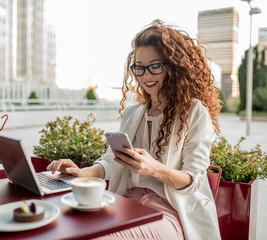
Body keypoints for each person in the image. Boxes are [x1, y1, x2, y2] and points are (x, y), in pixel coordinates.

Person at [47, 19, 221, 240]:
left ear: (173, 67)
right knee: (70, 228)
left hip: (168, 212)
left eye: (155, 66)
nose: (146, 76)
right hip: (124, 204)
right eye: (139, 68)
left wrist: (153, 168)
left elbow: (193, 180)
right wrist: (79, 173)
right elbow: (110, 162)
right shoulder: (133, 113)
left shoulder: (194, 111)